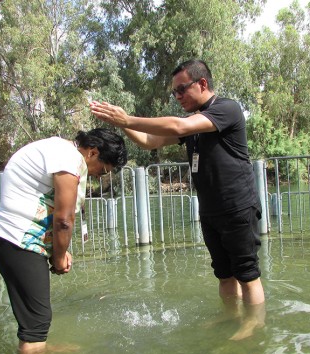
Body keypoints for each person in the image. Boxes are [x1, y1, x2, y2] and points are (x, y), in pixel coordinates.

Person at [90, 59, 265, 339]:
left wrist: (128, 118)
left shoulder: (226, 109)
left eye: (181, 89)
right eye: (174, 93)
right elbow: (150, 141)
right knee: (224, 274)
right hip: (210, 211)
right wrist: (121, 124)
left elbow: (178, 127)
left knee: (247, 272)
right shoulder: (195, 126)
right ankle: (230, 316)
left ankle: (254, 323)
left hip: (237, 207)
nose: (178, 97)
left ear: (202, 83)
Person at [0, 128, 127, 354]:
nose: (97, 176)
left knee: (35, 318)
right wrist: (60, 256)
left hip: (14, 240)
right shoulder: (68, 157)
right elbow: (63, 219)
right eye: (103, 170)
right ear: (93, 153)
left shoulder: (59, 150)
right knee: (36, 325)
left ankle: (38, 351)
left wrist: (56, 250)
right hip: (19, 241)